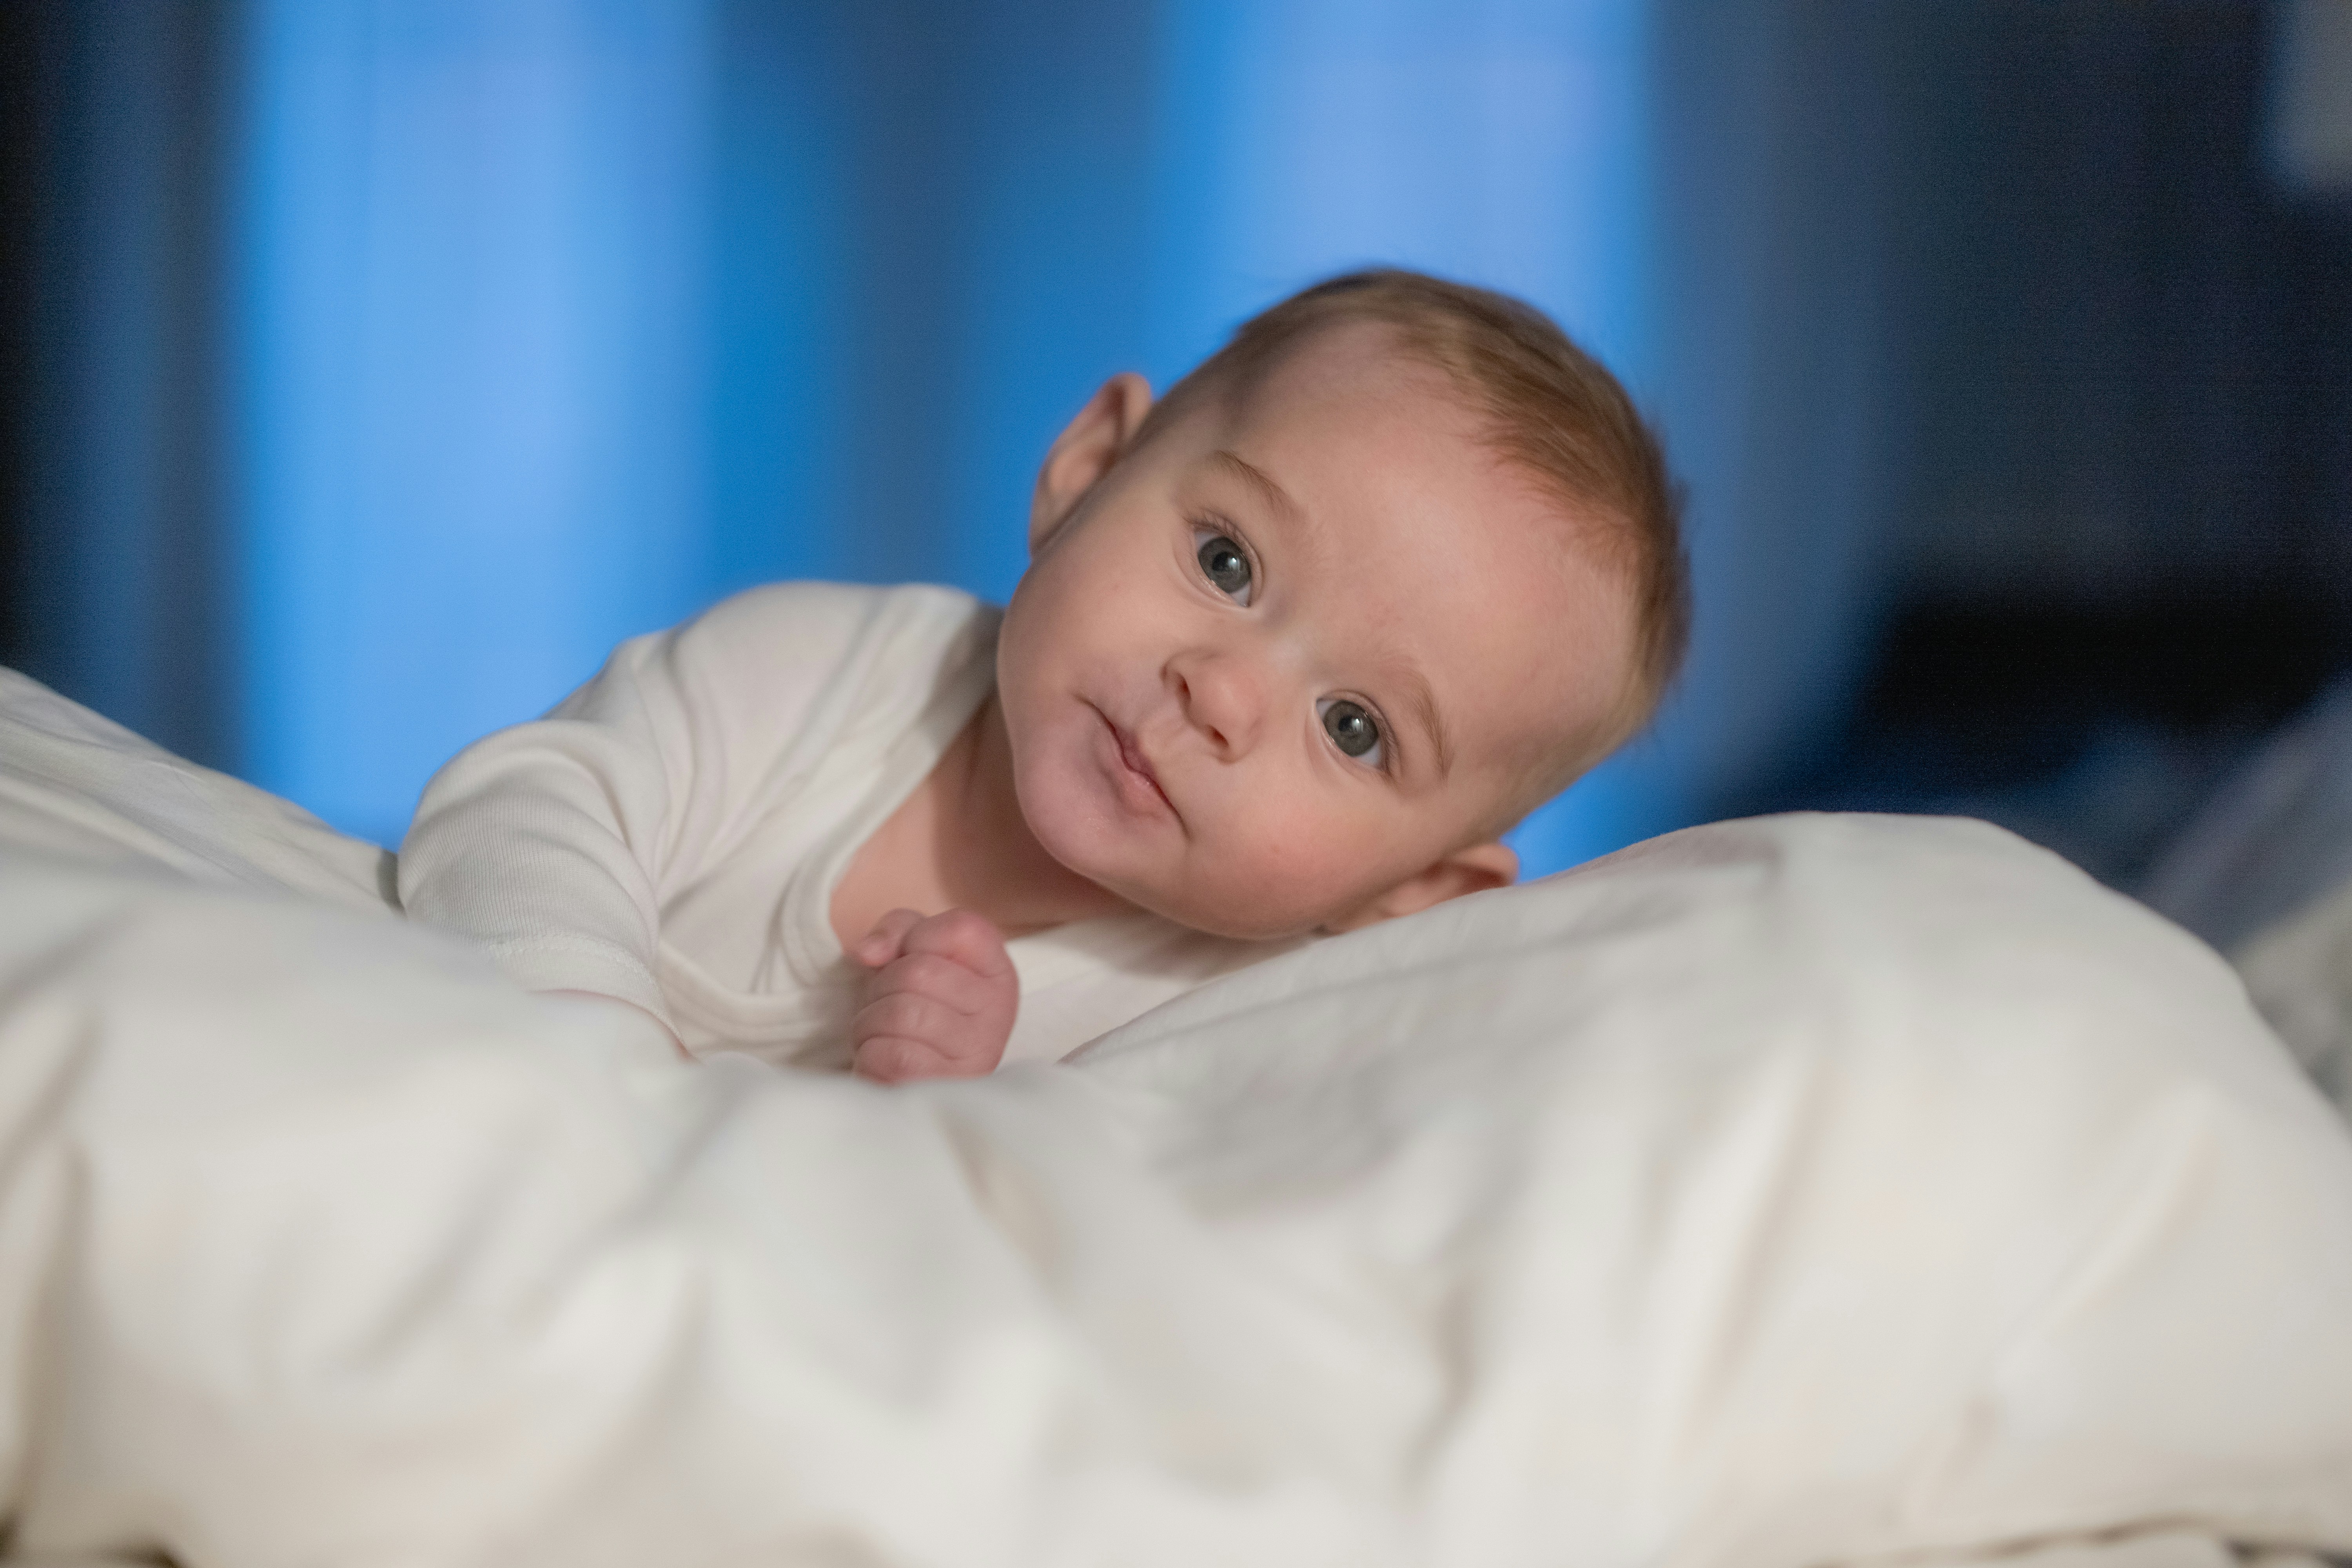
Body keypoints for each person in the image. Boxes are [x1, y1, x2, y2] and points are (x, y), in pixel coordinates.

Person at [396, 270, 1690, 1082]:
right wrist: (590, 1064)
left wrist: (969, 1116)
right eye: (1230, 562)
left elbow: (1066, 1301)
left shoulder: (1227, 1036)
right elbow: (522, 812)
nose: (1221, 692)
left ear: (1416, 893)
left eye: (1353, 727)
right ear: (1089, 470)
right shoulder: (816, 670)